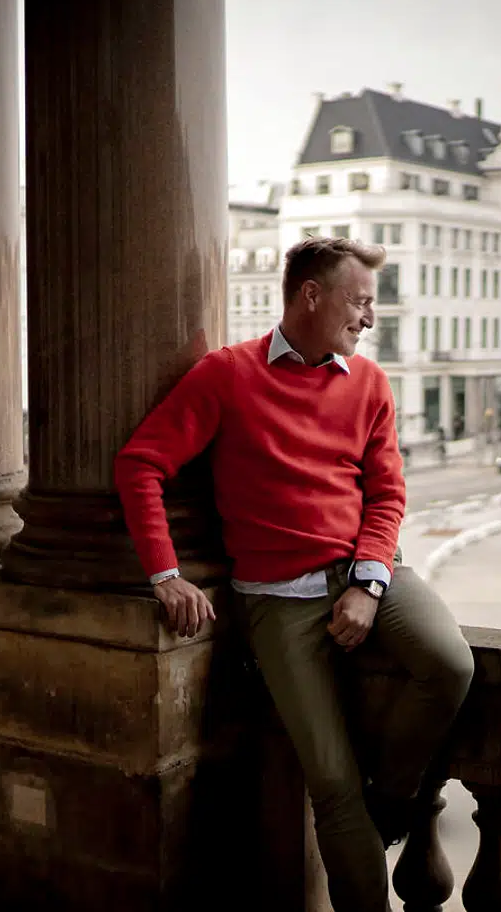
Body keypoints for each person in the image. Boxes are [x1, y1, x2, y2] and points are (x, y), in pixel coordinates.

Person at [114, 236, 473, 911]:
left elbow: (388, 494)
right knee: (331, 787)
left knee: (450, 665)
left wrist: (369, 584)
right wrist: (165, 574)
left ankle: (391, 796)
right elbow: (140, 464)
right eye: (360, 301)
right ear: (312, 295)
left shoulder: (370, 383)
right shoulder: (227, 375)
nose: (369, 317)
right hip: (278, 601)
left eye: (372, 305)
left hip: (368, 573)